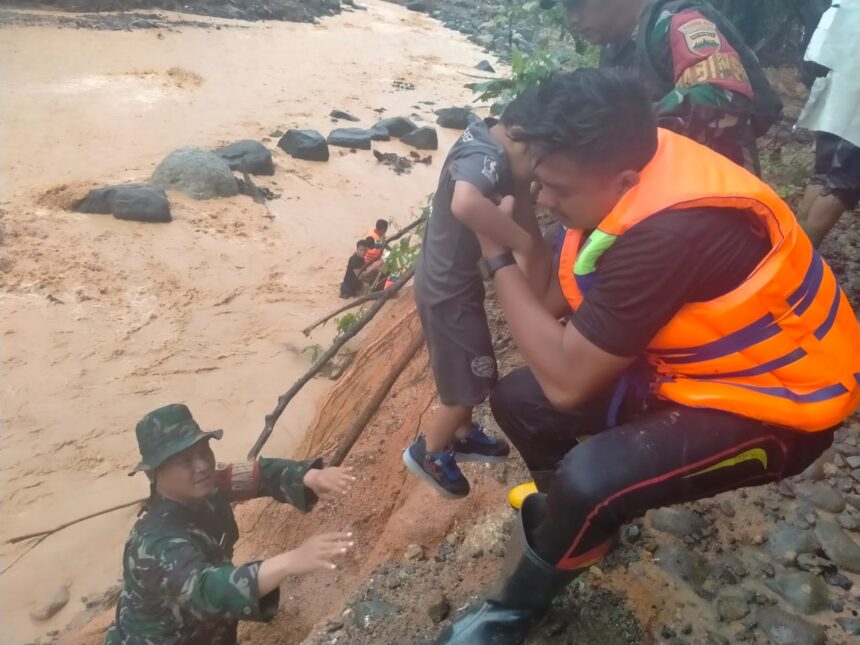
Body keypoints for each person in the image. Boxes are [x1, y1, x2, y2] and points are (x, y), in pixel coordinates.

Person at [437, 69, 860, 644]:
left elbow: (565, 382)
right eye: (539, 180)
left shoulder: (667, 234)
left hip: (779, 403)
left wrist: (497, 253)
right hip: (694, 371)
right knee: (517, 400)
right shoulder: (622, 175)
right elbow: (546, 302)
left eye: (558, 190)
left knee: (590, 478)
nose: (543, 197)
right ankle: (576, 530)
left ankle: (512, 614)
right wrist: (520, 230)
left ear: (626, 178)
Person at [105, 404, 355, 645]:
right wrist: (291, 561)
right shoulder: (154, 544)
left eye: (204, 452)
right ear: (152, 474)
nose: (202, 466)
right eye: (185, 461)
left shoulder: (209, 483)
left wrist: (310, 476)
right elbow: (209, 588)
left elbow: (260, 475)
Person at [402, 102, 547, 498]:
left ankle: (463, 435)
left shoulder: (481, 134)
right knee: (467, 385)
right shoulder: (487, 154)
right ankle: (429, 452)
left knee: (472, 365)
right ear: (520, 139)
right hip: (448, 290)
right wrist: (520, 241)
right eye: (537, 161)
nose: (536, 174)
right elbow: (465, 203)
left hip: (448, 280)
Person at [543, 0, 783, 174]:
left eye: (576, 4)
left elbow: (722, 93)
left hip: (719, 185)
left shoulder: (681, 21)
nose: (572, 18)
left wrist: (621, 133)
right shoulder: (617, 45)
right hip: (666, 186)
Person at [795, 0, 860, 247]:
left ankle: (790, 248)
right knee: (843, 182)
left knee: (823, 174)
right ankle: (800, 259)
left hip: (839, 80)